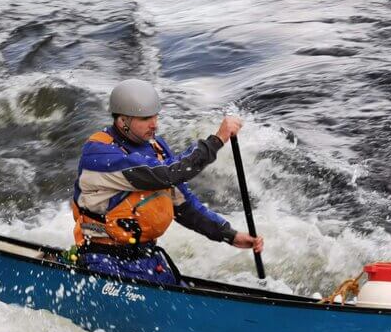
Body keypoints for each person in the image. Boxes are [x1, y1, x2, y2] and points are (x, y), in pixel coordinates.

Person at [72, 79, 264, 285]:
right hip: (103, 260)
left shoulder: (155, 147)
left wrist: (229, 235)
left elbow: (182, 204)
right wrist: (216, 141)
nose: (154, 124)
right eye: (145, 118)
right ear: (122, 122)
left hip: (146, 259)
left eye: (155, 116)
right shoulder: (100, 153)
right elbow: (168, 174)